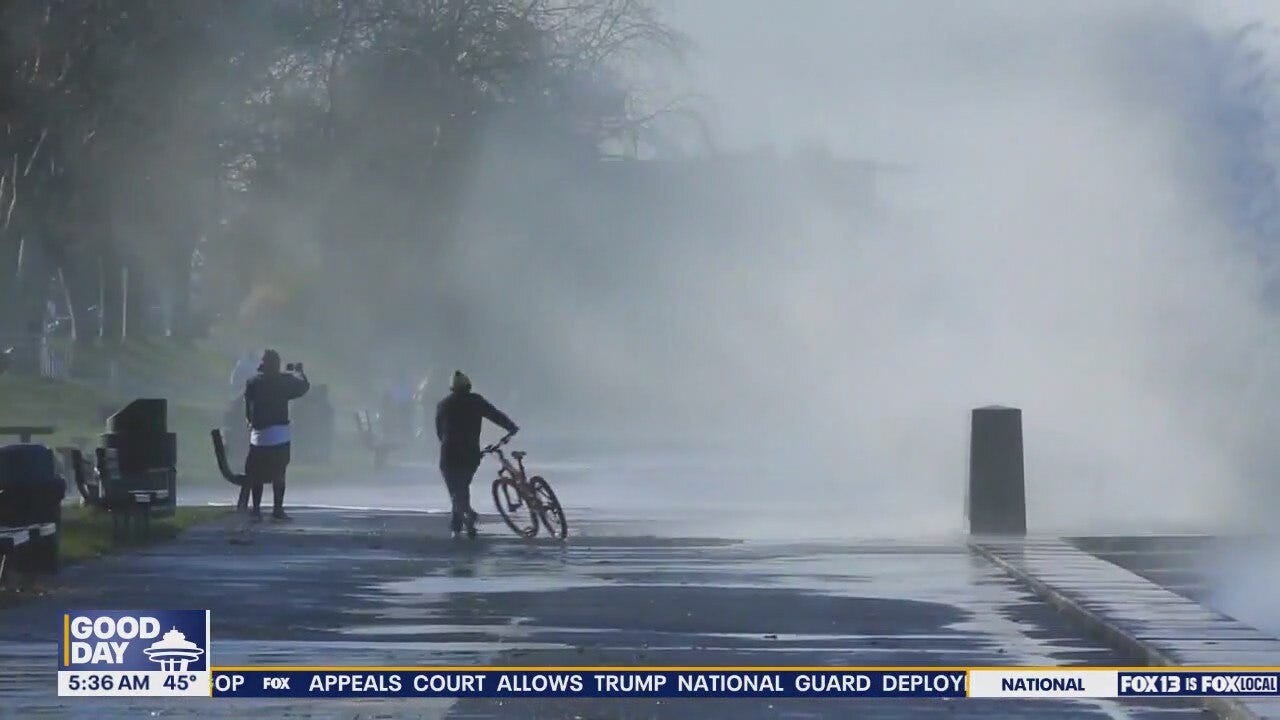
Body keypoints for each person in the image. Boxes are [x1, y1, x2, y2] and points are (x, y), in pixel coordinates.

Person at [434, 370, 518, 538]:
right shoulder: (475, 401)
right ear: (468, 385)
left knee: (456, 490)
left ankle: (460, 523)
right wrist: (511, 427)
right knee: (462, 487)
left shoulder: (443, 405)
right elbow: (495, 415)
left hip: (448, 454)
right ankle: (464, 520)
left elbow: (439, 432)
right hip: (469, 454)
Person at [244, 349, 310, 520]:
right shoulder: (284, 382)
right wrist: (298, 372)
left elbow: (248, 409)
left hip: (258, 437)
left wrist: (250, 422)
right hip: (279, 436)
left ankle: (256, 509)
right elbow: (303, 387)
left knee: (256, 473)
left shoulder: (252, 383)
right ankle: (277, 509)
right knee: (279, 472)